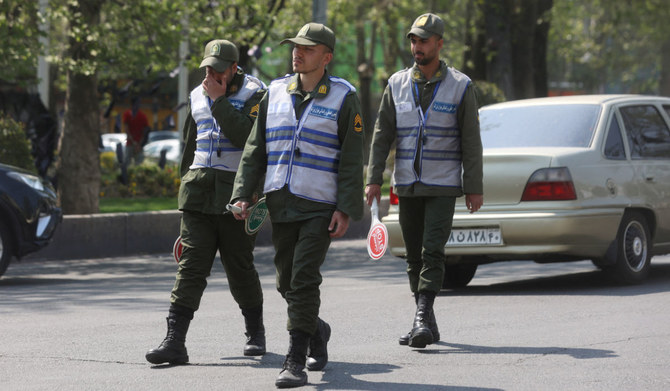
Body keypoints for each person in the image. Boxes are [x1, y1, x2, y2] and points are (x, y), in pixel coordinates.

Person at [230, 23, 365, 388]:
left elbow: (353, 159)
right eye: (295, 47)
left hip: (320, 204)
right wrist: (243, 192)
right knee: (286, 283)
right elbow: (256, 150)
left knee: (304, 279)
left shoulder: (342, 97)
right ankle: (317, 330)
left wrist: (346, 208)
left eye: (308, 48)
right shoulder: (273, 93)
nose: (298, 52)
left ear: (327, 57)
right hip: (281, 201)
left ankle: (295, 359)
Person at [365, 13, 484, 349]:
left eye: (424, 40)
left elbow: (471, 142)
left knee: (433, 251)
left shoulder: (461, 86)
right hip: (407, 183)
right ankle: (426, 321)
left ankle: (420, 316)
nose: (417, 46)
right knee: (413, 256)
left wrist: (474, 186)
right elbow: (381, 134)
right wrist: (373, 178)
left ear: (439, 44)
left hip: (443, 185)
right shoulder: (397, 83)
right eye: (414, 41)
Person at [145, 39, 267, 365]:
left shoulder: (256, 94)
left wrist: (219, 101)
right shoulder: (197, 94)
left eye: (218, 69)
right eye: (208, 67)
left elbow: (250, 139)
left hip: (237, 196)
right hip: (198, 194)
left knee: (238, 267)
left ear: (234, 69)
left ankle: (255, 330)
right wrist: (184, 186)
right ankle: (175, 340)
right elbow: (190, 146)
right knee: (191, 267)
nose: (211, 74)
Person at [122, 96, 149, 165]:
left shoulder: (142, 116)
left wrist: (139, 144)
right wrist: (133, 142)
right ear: (133, 104)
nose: (139, 105)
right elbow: (126, 129)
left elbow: (145, 131)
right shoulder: (127, 114)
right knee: (127, 162)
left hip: (139, 144)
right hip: (130, 143)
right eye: (137, 103)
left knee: (139, 163)